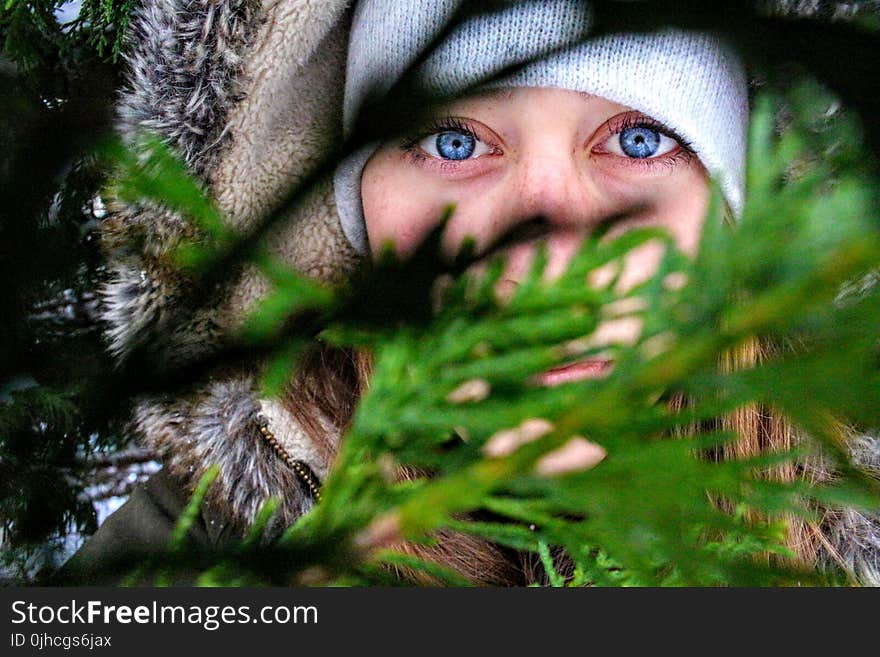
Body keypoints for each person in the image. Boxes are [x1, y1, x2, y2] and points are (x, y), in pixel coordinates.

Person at [66, 0, 878, 586]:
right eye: (456, 142)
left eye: (641, 139)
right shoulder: (192, 558)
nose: (549, 258)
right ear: (349, 215)